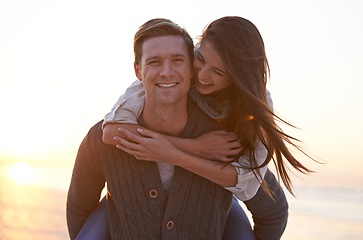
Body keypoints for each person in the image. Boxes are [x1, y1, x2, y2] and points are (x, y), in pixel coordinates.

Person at [102, 16, 314, 239]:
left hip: (238, 157)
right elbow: (110, 131)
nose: (202, 75)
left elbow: (244, 184)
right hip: (207, 145)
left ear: (237, 76)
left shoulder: (256, 104)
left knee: (273, 208)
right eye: (200, 59)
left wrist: (173, 154)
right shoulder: (178, 67)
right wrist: (194, 147)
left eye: (218, 72)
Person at [67, 18, 251, 240]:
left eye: (177, 60)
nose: (166, 72)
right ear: (138, 70)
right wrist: (195, 148)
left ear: (191, 69)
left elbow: (272, 212)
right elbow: (79, 212)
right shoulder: (102, 140)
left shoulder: (224, 140)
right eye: (154, 62)